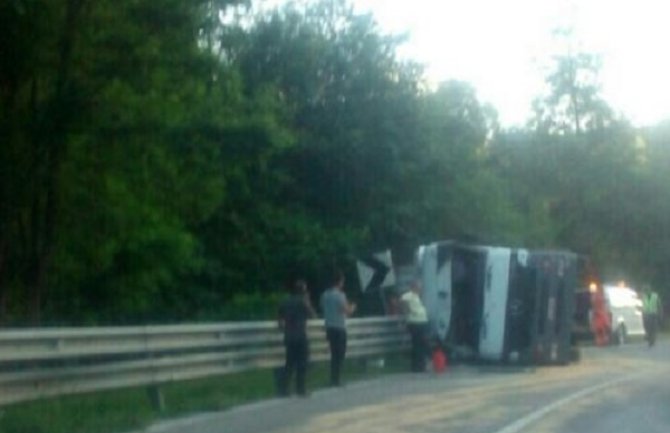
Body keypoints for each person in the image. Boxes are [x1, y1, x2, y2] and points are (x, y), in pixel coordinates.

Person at [278, 279, 316, 396]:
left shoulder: (285, 301)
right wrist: (308, 301)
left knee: (289, 363)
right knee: (302, 363)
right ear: (303, 291)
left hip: (289, 335)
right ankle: (301, 388)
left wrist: (284, 330)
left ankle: (284, 389)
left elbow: (280, 320)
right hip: (300, 335)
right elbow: (313, 315)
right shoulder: (303, 302)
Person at [320, 270, 356, 386]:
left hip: (329, 327)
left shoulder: (325, 295)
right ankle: (337, 379)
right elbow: (346, 311)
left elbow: (322, 307)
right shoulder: (340, 295)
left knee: (334, 353)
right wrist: (353, 307)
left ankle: (333, 378)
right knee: (340, 353)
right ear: (340, 281)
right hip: (339, 327)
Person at [401, 281, 430, 372]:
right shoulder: (408, 295)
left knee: (421, 344)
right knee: (417, 345)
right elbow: (403, 303)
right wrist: (409, 312)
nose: (420, 289)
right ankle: (416, 366)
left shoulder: (417, 297)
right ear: (413, 287)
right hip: (415, 323)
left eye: (420, 287)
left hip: (422, 322)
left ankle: (421, 365)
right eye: (418, 287)